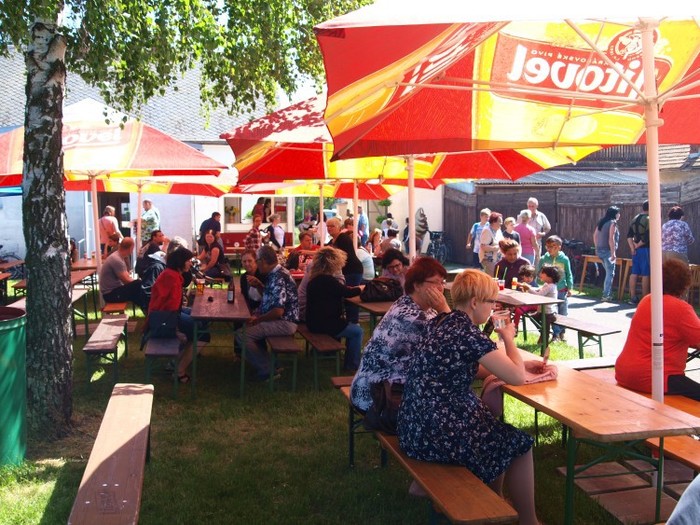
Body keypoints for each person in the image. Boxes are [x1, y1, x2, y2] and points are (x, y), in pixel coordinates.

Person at [397, 269, 538, 525]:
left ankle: (494, 499)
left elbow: (463, 367)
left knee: (492, 429)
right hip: (436, 433)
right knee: (519, 444)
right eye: (491, 301)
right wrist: (509, 339)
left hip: (413, 424)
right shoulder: (468, 334)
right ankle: (529, 521)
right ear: (475, 302)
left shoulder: (441, 322)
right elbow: (517, 377)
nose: (494, 307)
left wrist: (516, 365)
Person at [350, 257, 450, 412]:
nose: (441, 288)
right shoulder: (414, 318)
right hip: (378, 398)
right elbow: (455, 342)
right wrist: (444, 308)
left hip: (369, 386)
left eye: (442, 282)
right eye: (436, 283)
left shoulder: (407, 303)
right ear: (417, 285)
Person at [615, 259, 700, 400]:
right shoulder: (681, 309)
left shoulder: (647, 300)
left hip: (624, 372)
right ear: (684, 285)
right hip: (654, 377)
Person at [234, 246, 298, 382]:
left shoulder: (278, 277)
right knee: (245, 329)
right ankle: (273, 364)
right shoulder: (277, 273)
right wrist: (260, 286)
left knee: (242, 335)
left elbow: (278, 311)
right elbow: (270, 298)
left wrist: (258, 319)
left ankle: (267, 370)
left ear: (262, 261)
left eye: (256, 261)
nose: (256, 264)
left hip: (285, 322)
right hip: (281, 319)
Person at [146, 247, 200, 384]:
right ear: (180, 261)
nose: (190, 263)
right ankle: (179, 370)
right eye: (188, 260)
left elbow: (173, 305)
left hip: (162, 315)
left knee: (198, 319)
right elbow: (171, 308)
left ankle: (177, 360)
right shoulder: (172, 277)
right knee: (201, 332)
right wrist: (176, 331)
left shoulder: (171, 274)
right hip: (163, 319)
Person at [306, 247, 364, 371]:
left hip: (313, 322)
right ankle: (352, 365)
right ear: (333, 264)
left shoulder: (314, 280)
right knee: (357, 331)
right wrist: (361, 289)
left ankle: (346, 359)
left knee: (349, 327)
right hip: (325, 324)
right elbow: (347, 293)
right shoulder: (329, 281)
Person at [326, 217, 364, 323]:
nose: (329, 228)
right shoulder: (333, 240)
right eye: (328, 226)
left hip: (352, 270)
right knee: (345, 296)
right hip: (346, 271)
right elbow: (325, 252)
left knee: (350, 297)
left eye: (332, 226)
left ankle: (353, 321)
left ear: (339, 227)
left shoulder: (343, 238)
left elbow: (342, 256)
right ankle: (348, 321)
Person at [537, 236, 573, 342]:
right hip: (549, 291)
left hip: (561, 289)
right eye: (548, 246)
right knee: (552, 313)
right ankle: (555, 334)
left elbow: (569, 274)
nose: (550, 249)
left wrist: (570, 287)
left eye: (553, 246)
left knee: (563, 312)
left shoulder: (564, 259)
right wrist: (540, 282)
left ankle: (562, 333)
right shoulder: (544, 259)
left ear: (559, 247)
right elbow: (539, 273)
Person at [99, 237, 148, 312]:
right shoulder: (116, 259)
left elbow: (127, 277)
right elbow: (126, 280)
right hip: (110, 295)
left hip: (113, 291)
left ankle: (147, 309)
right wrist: (140, 282)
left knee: (138, 292)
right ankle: (149, 309)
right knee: (138, 285)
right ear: (131, 248)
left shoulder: (118, 256)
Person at [593, 205, 621, 301]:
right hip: (608, 251)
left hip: (600, 250)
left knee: (608, 272)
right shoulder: (613, 223)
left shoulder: (601, 222)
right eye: (618, 213)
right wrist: (613, 253)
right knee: (610, 273)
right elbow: (611, 239)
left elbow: (595, 235)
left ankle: (608, 293)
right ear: (615, 214)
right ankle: (606, 295)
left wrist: (596, 248)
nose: (619, 215)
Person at [626, 201, 650, 304]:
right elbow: (647, 236)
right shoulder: (649, 219)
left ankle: (633, 297)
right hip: (645, 249)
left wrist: (633, 247)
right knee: (646, 274)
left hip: (635, 251)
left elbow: (629, 235)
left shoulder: (634, 218)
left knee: (634, 272)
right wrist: (639, 245)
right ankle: (645, 300)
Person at [512, 265, 538, 329]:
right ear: (522, 276)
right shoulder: (520, 284)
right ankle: (510, 326)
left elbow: (535, 295)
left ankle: (515, 327)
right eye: (527, 277)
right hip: (523, 303)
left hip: (532, 304)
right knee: (508, 309)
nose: (529, 279)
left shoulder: (534, 285)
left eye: (531, 277)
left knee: (518, 311)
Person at [527, 197, 551, 267]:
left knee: (537, 265)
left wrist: (543, 233)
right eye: (529, 206)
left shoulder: (541, 216)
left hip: (537, 244)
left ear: (537, 206)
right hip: (526, 245)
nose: (531, 208)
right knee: (527, 265)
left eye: (532, 206)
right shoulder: (523, 215)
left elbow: (548, 228)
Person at [480, 212, 504, 277]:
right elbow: (484, 247)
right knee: (493, 277)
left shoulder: (498, 230)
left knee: (497, 277)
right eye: (499, 221)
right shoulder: (487, 231)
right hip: (488, 260)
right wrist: (497, 247)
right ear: (493, 222)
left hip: (497, 259)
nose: (501, 223)